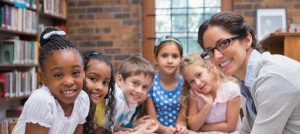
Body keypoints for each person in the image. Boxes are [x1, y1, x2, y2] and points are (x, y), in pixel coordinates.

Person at [197, 11, 300, 134]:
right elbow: (246, 130)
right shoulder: (248, 81)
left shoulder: (272, 77)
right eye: (209, 51)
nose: (217, 56)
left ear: (247, 40)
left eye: (223, 43)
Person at [12, 27, 89, 134]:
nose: (69, 81)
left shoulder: (82, 99)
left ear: (84, 72)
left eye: (75, 73)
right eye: (58, 75)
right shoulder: (42, 100)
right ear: (42, 77)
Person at [179, 53, 240, 133]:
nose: (197, 83)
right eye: (191, 81)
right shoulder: (194, 93)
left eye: (199, 75)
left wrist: (202, 127)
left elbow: (230, 127)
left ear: (211, 68)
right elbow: (193, 126)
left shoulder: (231, 90)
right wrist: (207, 105)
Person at [146, 35, 188, 134]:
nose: (170, 61)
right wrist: (164, 130)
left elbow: (182, 120)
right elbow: (152, 119)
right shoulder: (150, 83)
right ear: (155, 58)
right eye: (164, 56)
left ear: (181, 58)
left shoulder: (185, 83)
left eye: (175, 56)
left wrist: (181, 127)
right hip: (156, 130)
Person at [113, 56, 158, 133]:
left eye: (144, 87)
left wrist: (134, 125)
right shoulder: (116, 99)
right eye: (135, 83)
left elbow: (117, 127)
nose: (139, 91)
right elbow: (100, 131)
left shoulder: (132, 102)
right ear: (120, 80)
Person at [82, 51, 116, 134]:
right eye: (93, 78)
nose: (100, 87)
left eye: (105, 82)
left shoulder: (100, 106)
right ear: (81, 75)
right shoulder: (74, 108)